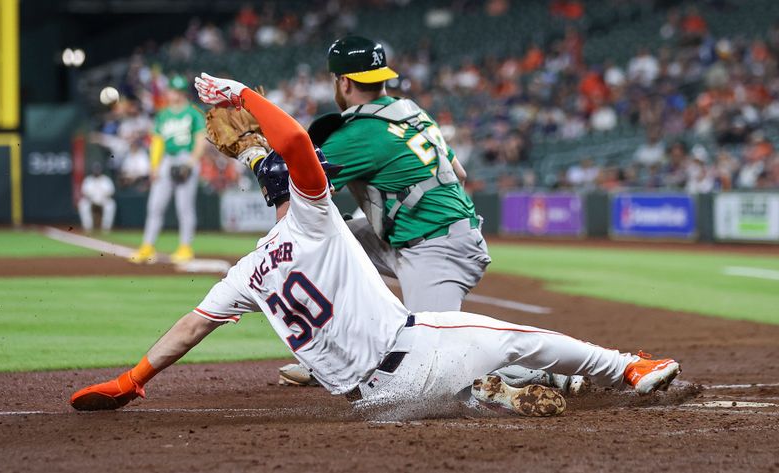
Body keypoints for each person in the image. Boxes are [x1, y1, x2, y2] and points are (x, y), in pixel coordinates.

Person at [69, 74, 682, 418]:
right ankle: (630, 366)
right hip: (414, 353)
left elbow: (187, 331)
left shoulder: (248, 273)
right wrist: (247, 97)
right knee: (517, 335)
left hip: (375, 401)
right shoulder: (317, 221)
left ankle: (498, 395)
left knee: (456, 377)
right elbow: (300, 153)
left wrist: (129, 381)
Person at [288, 35, 572, 393]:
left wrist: (256, 151)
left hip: (435, 248)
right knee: (326, 244)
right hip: (432, 233)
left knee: (432, 366)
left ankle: (547, 370)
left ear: (343, 82)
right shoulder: (409, 111)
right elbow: (461, 173)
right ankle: (333, 356)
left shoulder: (357, 133)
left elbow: (294, 192)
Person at [129, 75, 206, 264]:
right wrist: (154, 167)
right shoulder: (163, 114)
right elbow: (157, 142)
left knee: (184, 207)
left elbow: (200, 139)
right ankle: (147, 246)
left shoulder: (194, 112)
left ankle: (185, 247)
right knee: (155, 205)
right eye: (173, 90)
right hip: (167, 160)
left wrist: (191, 162)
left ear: (183, 93)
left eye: (178, 91)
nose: (174, 94)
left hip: (186, 158)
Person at [77, 162, 116, 233]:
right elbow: (85, 193)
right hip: (91, 200)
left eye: (98, 170)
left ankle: (106, 228)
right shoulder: (88, 180)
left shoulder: (106, 180)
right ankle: (87, 227)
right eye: (95, 170)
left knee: (111, 204)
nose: (97, 172)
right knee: (83, 204)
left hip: (103, 200)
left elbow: (111, 193)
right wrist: (92, 199)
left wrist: (102, 198)